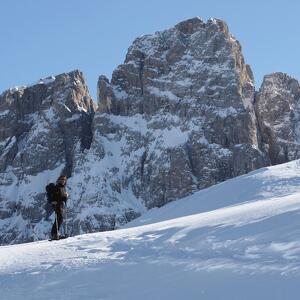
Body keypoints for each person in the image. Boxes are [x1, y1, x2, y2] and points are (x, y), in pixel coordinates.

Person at [50, 175, 68, 240]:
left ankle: (55, 234)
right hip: (57, 205)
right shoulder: (57, 187)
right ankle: (54, 234)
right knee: (59, 219)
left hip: (60, 205)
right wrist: (53, 202)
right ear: (59, 180)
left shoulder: (63, 187)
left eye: (64, 179)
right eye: (62, 179)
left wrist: (65, 197)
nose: (63, 181)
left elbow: (62, 198)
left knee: (59, 219)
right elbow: (55, 197)